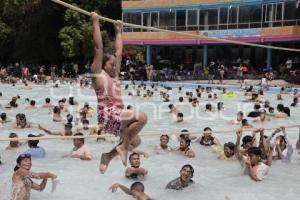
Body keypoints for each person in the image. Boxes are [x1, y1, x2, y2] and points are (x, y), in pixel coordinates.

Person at [90, 13, 147, 173]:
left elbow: (119, 51)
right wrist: (95, 22)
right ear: (103, 64)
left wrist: (119, 31)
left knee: (136, 141)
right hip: (107, 115)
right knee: (142, 117)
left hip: (117, 115)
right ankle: (122, 148)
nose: (115, 67)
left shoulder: (114, 76)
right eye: (111, 64)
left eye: (116, 65)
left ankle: (108, 156)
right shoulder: (98, 75)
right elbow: (98, 48)